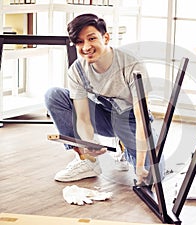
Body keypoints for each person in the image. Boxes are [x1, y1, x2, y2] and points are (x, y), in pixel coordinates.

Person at [44, 13, 164, 184]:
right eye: (79, 42)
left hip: (130, 121)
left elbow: (141, 119)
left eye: (91, 38)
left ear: (105, 37)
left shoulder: (132, 66)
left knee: (152, 177)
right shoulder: (77, 71)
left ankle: (125, 148)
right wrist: (89, 143)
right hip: (104, 116)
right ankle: (87, 162)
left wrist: (139, 164)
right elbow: (83, 118)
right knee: (53, 95)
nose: (86, 47)